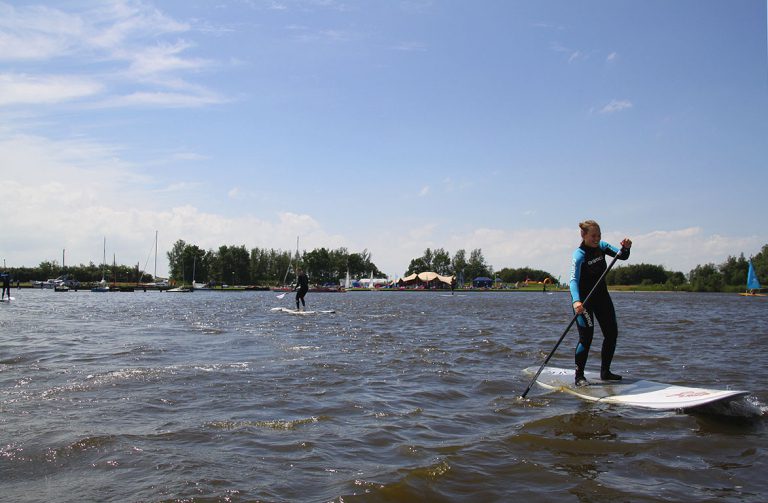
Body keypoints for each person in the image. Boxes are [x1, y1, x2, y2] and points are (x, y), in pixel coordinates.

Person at [569, 220, 632, 387]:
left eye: (599, 235)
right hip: (584, 301)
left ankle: (605, 372)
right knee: (586, 338)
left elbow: (622, 256)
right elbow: (573, 281)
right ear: (583, 235)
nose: (596, 239)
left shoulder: (602, 247)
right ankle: (579, 376)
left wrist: (626, 248)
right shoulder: (579, 255)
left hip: (602, 298)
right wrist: (576, 301)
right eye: (593, 236)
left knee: (611, 334)